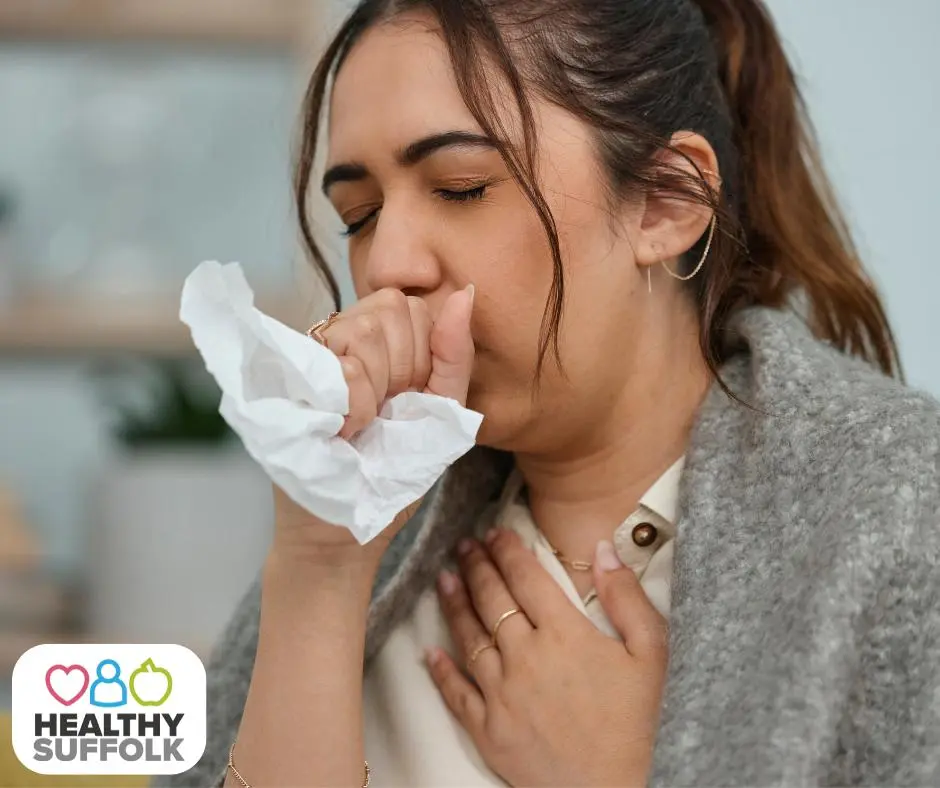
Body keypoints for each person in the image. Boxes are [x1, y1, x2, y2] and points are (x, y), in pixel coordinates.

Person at [160, 0, 940, 785]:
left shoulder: (903, 513)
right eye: (359, 216)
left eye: (461, 187)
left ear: (669, 201)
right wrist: (319, 572)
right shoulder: (371, 540)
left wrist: (633, 771)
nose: (389, 263)